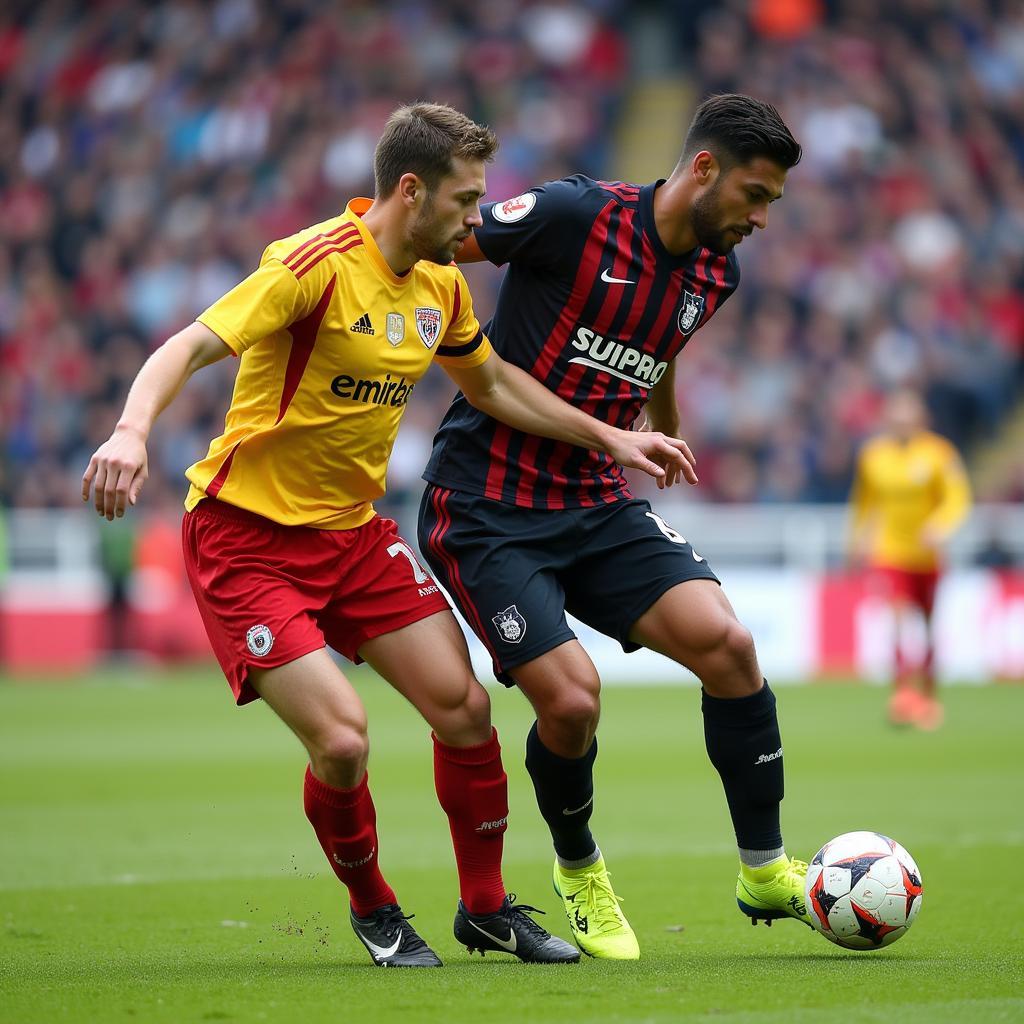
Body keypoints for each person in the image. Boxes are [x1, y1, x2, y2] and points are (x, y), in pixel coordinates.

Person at [81, 102, 693, 968]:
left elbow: (494, 386)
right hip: (246, 540)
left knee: (466, 709)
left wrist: (612, 436)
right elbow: (186, 345)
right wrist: (131, 431)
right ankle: (375, 909)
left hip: (354, 537)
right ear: (411, 191)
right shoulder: (311, 264)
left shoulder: (441, 283)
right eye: (466, 200)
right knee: (341, 738)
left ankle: (484, 909)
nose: (477, 220)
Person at [418, 93, 808, 959]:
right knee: (572, 699)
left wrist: (661, 431)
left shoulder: (717, 273)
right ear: (702, 168)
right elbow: (437, 243)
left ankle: (764, 868)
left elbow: (660, 346)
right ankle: (578, 867)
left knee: (730, 648)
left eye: (772, 202)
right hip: (486, 503)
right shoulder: (572, 214)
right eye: (755, 194)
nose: (760, 218)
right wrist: (454, 351)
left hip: (595, 497)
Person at [849, 388, 971, 731]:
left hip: (928, 555)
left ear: (921, 419)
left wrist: (940, 525)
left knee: (929, 626)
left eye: (908, 416)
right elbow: (864, 501)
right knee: (899, 620)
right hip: (890, 552)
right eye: (896, 416)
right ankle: (903, 696)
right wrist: (856, 540)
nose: (901, 423)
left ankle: (930, 695)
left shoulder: (938, 454)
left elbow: (958, 497)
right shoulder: (873, 455)